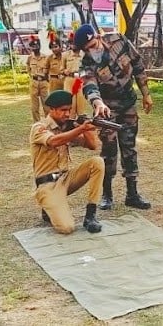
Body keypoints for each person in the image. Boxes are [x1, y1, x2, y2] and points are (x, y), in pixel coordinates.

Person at [73, 23, 153, 210]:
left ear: (98, 37)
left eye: (93, 45)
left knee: (129, 148)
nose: (92, 51)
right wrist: (98, 103)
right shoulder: (86, 63)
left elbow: (138, 64)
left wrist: (146, 93)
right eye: (87, 49)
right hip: (106, 110)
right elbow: (89, 85)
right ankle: (107, 195)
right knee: (108, 151)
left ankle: (132, 194)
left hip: (128, 104)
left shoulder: (119, 40)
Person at [31, 90, 104, 234]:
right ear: (51, 109)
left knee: (97, 162)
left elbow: (92, 146)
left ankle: (91, 215)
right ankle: (48, 207)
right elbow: (54, 141)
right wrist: (80, 129)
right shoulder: (39, 127)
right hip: (48, 185)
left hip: (66, 178)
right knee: (67, 228)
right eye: (63, 110)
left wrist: (87, 128)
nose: (67, 114)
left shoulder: (67, 127)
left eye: (69, 110)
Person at [61, 35, 86, 118]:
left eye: (74, 43)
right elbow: (61, 69)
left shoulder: (84, 55)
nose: (73, 45)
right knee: (70, 102)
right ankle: (70, 123)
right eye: (71, 43)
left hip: (80, 80)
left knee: (80, 103)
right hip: (69, 80)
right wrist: (65, 71)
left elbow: (88, 68)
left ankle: (80, 123)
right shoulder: (65, 55)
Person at [26, 34, 50, 122]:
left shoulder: (46, 57)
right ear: (31, 47)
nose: (35, 47)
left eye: (37, 45)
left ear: (40, 46)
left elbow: (48, 69)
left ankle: (48, 123)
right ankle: (37, 124)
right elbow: (28, 68)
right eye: (33, 46)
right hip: (34, 82)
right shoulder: (29, 58)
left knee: (46, 105)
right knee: (34, 106)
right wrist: (33, 77)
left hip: (44, 82)